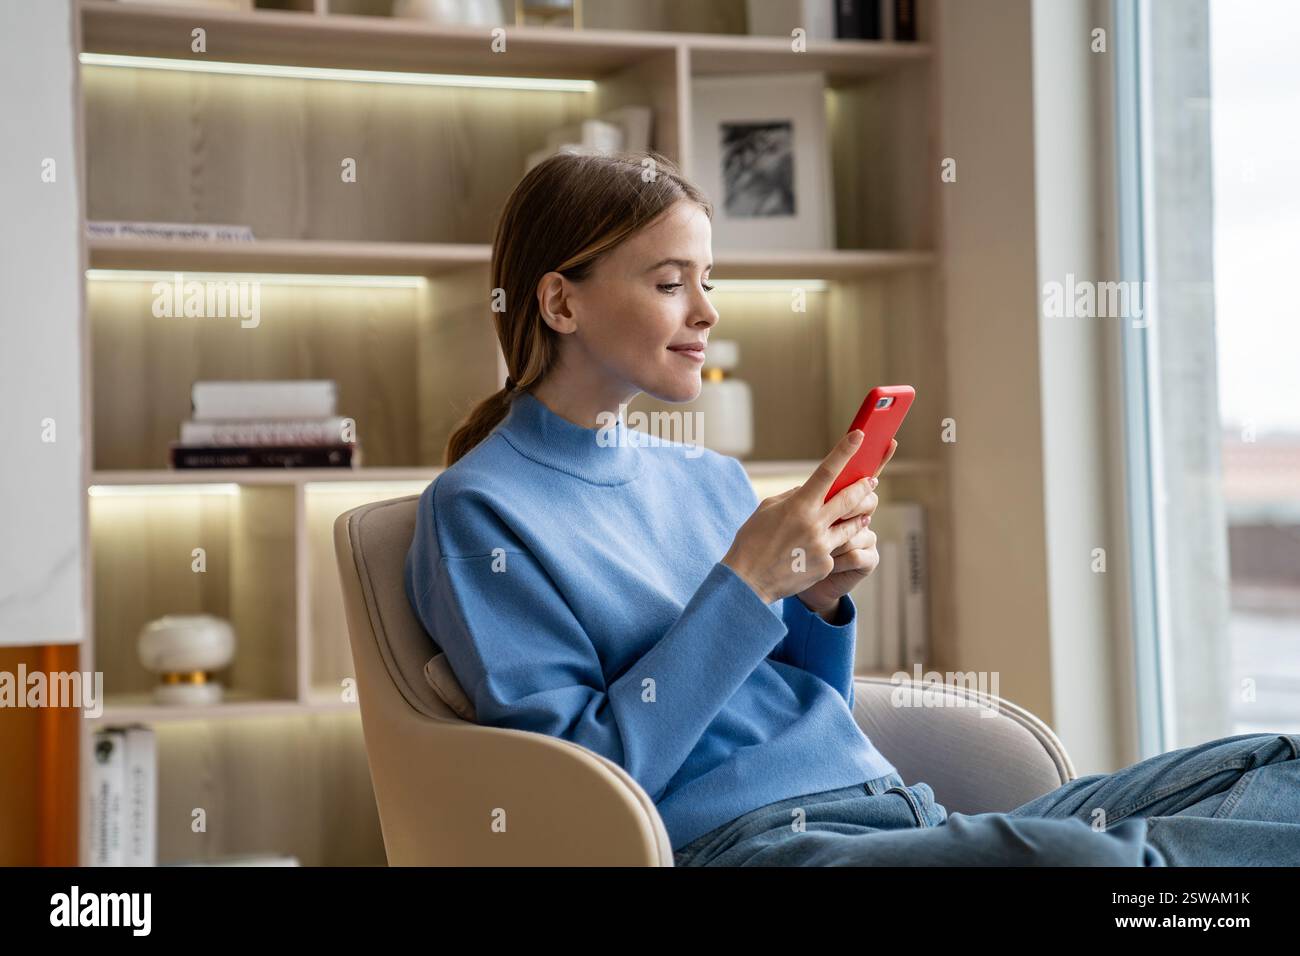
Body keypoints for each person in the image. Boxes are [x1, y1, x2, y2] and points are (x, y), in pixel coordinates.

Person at [404, 150, 1300, 866]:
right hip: (752, 847)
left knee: (1279, 767)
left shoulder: (706, 477)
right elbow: (580, 786)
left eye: (708, 278)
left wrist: (819, 600)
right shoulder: (481, 510)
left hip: (893, 812)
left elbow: (809, 708)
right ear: (562, 301)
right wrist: (746, 583)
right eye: (671, 282)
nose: (708, 311)